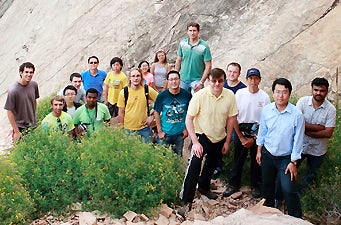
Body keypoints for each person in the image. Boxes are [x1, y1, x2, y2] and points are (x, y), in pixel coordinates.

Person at [178, 68, 238, 218]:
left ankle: (204, 187)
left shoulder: (229, 95)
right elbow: (189, 119)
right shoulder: (199, 96)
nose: (217, 84)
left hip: (219, 136)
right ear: (208, 81)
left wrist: (228, 140)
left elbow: (231, 119)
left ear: (224, 81)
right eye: (214, 81)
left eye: (220, 81)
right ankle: (186, 201)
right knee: (195, 165)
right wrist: (195, 142)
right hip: (201, 135)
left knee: (212, 163)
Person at [256, 78, 304, 218]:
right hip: (268, 153)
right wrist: (259, 150)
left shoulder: (297, 115)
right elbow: (262, 131)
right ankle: (270, 216)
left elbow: (298, 140)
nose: (280, 96)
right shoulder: (267, 110)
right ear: (273, 93)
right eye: (277, 92)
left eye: (284, 92)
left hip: (286, 158)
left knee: (288, 189)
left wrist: (293, 162)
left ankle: (296, 218)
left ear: (289, 94)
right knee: (267, 186)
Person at [223, 68, 270, 198]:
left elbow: (266, 120)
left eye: (256, 78)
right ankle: (233, 184)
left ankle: (256, 186)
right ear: (247, 79)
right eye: (250, 78)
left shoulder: (264, 97)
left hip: (257, 131)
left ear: (259, 80)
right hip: (241, 129)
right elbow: (234, 115)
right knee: (237, 159)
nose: (253, 81)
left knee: (257, 160)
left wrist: (254, 138)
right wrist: (241, 137)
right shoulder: (239, 94)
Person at [296, 77, 336, 192]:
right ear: (312, 90)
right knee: (290, 170)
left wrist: (306, 130)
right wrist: (319, 128)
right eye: (316, 90)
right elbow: (296, 124)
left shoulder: (331, 109)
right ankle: (285, 194)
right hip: (300, 145)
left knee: (310, 175)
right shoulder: (302, 102)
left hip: (318, 149)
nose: (318, 93)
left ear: (326, 91)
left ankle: (302, 197)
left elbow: (328, 133)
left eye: (322, 90)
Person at [214, 62, 246, 178]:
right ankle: (217, 167)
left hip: (235, 122)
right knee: (217, 144)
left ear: (239, 74)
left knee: (236, 145)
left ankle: (234, 170)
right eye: (230, 71)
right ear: (227, 72)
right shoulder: (221, 84)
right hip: (220, 120)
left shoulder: (242, 89)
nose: (232, 74)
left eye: (235, 72)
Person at [154, 70, 192, 156]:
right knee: (161, 158)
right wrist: (159, 131)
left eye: (176, 79)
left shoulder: (186, 95)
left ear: (179, 80)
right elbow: (156, 112)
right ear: (167, 81)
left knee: (177, 158)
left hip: (180, 133)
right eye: (171, 79)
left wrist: (186, 128)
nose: (174, 81)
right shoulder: (162, 96)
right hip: (165, 133)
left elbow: (190, 113)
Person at [117, 68, 158, 143]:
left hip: (144, 129)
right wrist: (122, 128)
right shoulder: (124, 92)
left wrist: (152, 116)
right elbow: (121, 112)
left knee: (146, 152)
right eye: (133, 76)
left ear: (141, 77)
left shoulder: (146, 89)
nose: (136, 78)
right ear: (130, 78)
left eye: (138, 76)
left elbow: (160, 101)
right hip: (128, 129)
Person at [4, 62, 40, 141]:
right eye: (26, 72)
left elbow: (34, 101)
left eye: (31, 72)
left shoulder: (34, 85)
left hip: (33, 125)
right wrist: (16, 131)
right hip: (20, 127)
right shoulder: (13, 90)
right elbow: (9, 112)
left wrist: (34, 116)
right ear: (21, 73)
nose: (29, 74)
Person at [175, 22, 212, 93]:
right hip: (183, 79)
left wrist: (201, 82)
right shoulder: (182, 43)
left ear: (198, 31)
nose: (192, 33)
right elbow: (179, 60)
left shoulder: (204, 46)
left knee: (199, 101)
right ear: (187, 31)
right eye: (190, 30)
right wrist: (176, 76)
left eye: (194, 30)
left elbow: (208, 65)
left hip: (197, 79)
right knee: (182, 102)